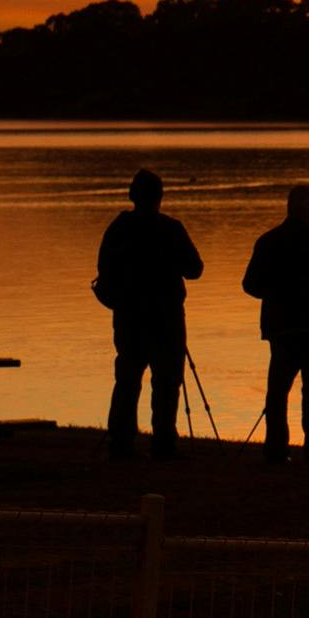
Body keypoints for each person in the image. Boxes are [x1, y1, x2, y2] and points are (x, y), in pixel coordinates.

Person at [93, 168, 204, 461]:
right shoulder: (171, 229)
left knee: (128, 379)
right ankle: (163, 443)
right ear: (160, 197)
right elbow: (195, 269)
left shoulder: (118, 228)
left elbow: (103, 271)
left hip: (129, 317)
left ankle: (121, 442)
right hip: (166, 318)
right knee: (166, 382)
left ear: (133, 195)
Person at [241, 184, 309, 463]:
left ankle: (276, 448)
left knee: (278, 388)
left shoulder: (269, 241)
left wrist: (276, 292)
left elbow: (250, 284)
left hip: (282, 326)